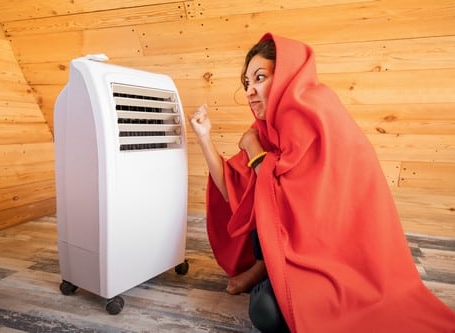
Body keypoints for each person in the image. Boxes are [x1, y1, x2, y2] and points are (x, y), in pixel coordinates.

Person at [188, 33, 455, 333]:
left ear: (287, 75)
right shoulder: (266, 127)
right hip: (297, 245)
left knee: (268, 313)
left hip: (339, 255)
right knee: (268, 307)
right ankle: (267, 268)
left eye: (259, 78)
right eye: (246, 83)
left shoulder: (317, 111)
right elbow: (235, 191)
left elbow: (288, 202)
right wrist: (203, 136)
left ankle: (268, 271)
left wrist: (253, 150)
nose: (250, 90)